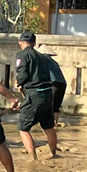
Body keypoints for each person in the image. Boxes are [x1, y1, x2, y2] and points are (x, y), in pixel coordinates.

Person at [14, 31, 57, 159]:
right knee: (49, 127)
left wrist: (19, 82)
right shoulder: (43, 56)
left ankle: (33, 159)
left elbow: (22, 73)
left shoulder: (22, 55)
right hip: (48, 93)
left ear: (20, 43)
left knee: (23, 128)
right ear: (34, 43)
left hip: (34, 94)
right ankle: (54, 154)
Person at [36, 44, 67, 126]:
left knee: (49, 106)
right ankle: (55, 123)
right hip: (62, 84)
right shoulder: (54, 62)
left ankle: (49, 124)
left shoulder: (42, 60)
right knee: (56, 107)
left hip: (53, 84)